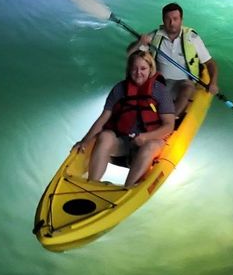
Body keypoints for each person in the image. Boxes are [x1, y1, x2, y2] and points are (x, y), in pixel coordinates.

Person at [73, 51, 175, 188]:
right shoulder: (120, 89)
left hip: (151, 142)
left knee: (150, 146)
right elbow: (103, 118)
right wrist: (85, 140)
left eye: (143, 68)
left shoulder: (160, 91)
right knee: (105, 135)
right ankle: (92, 183)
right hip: (125, 143)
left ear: (151, 69)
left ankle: (127, 189)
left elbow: (169, 126)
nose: (138, 73)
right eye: (134, 68)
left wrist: (145, 137)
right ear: (129, 69)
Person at [129, 2, 218, 116]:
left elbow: (210, 63)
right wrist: (139, 43)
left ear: (181, 20)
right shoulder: (155, 36)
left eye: (175, 19)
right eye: (168, 19)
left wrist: (213, 83)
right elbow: (130, 54)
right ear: (163, 20)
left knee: (187, 88)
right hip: (161, 83)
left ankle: (170, 119)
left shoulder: (192, 37)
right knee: (146, 97)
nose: (172, 23)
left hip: (185, 84)